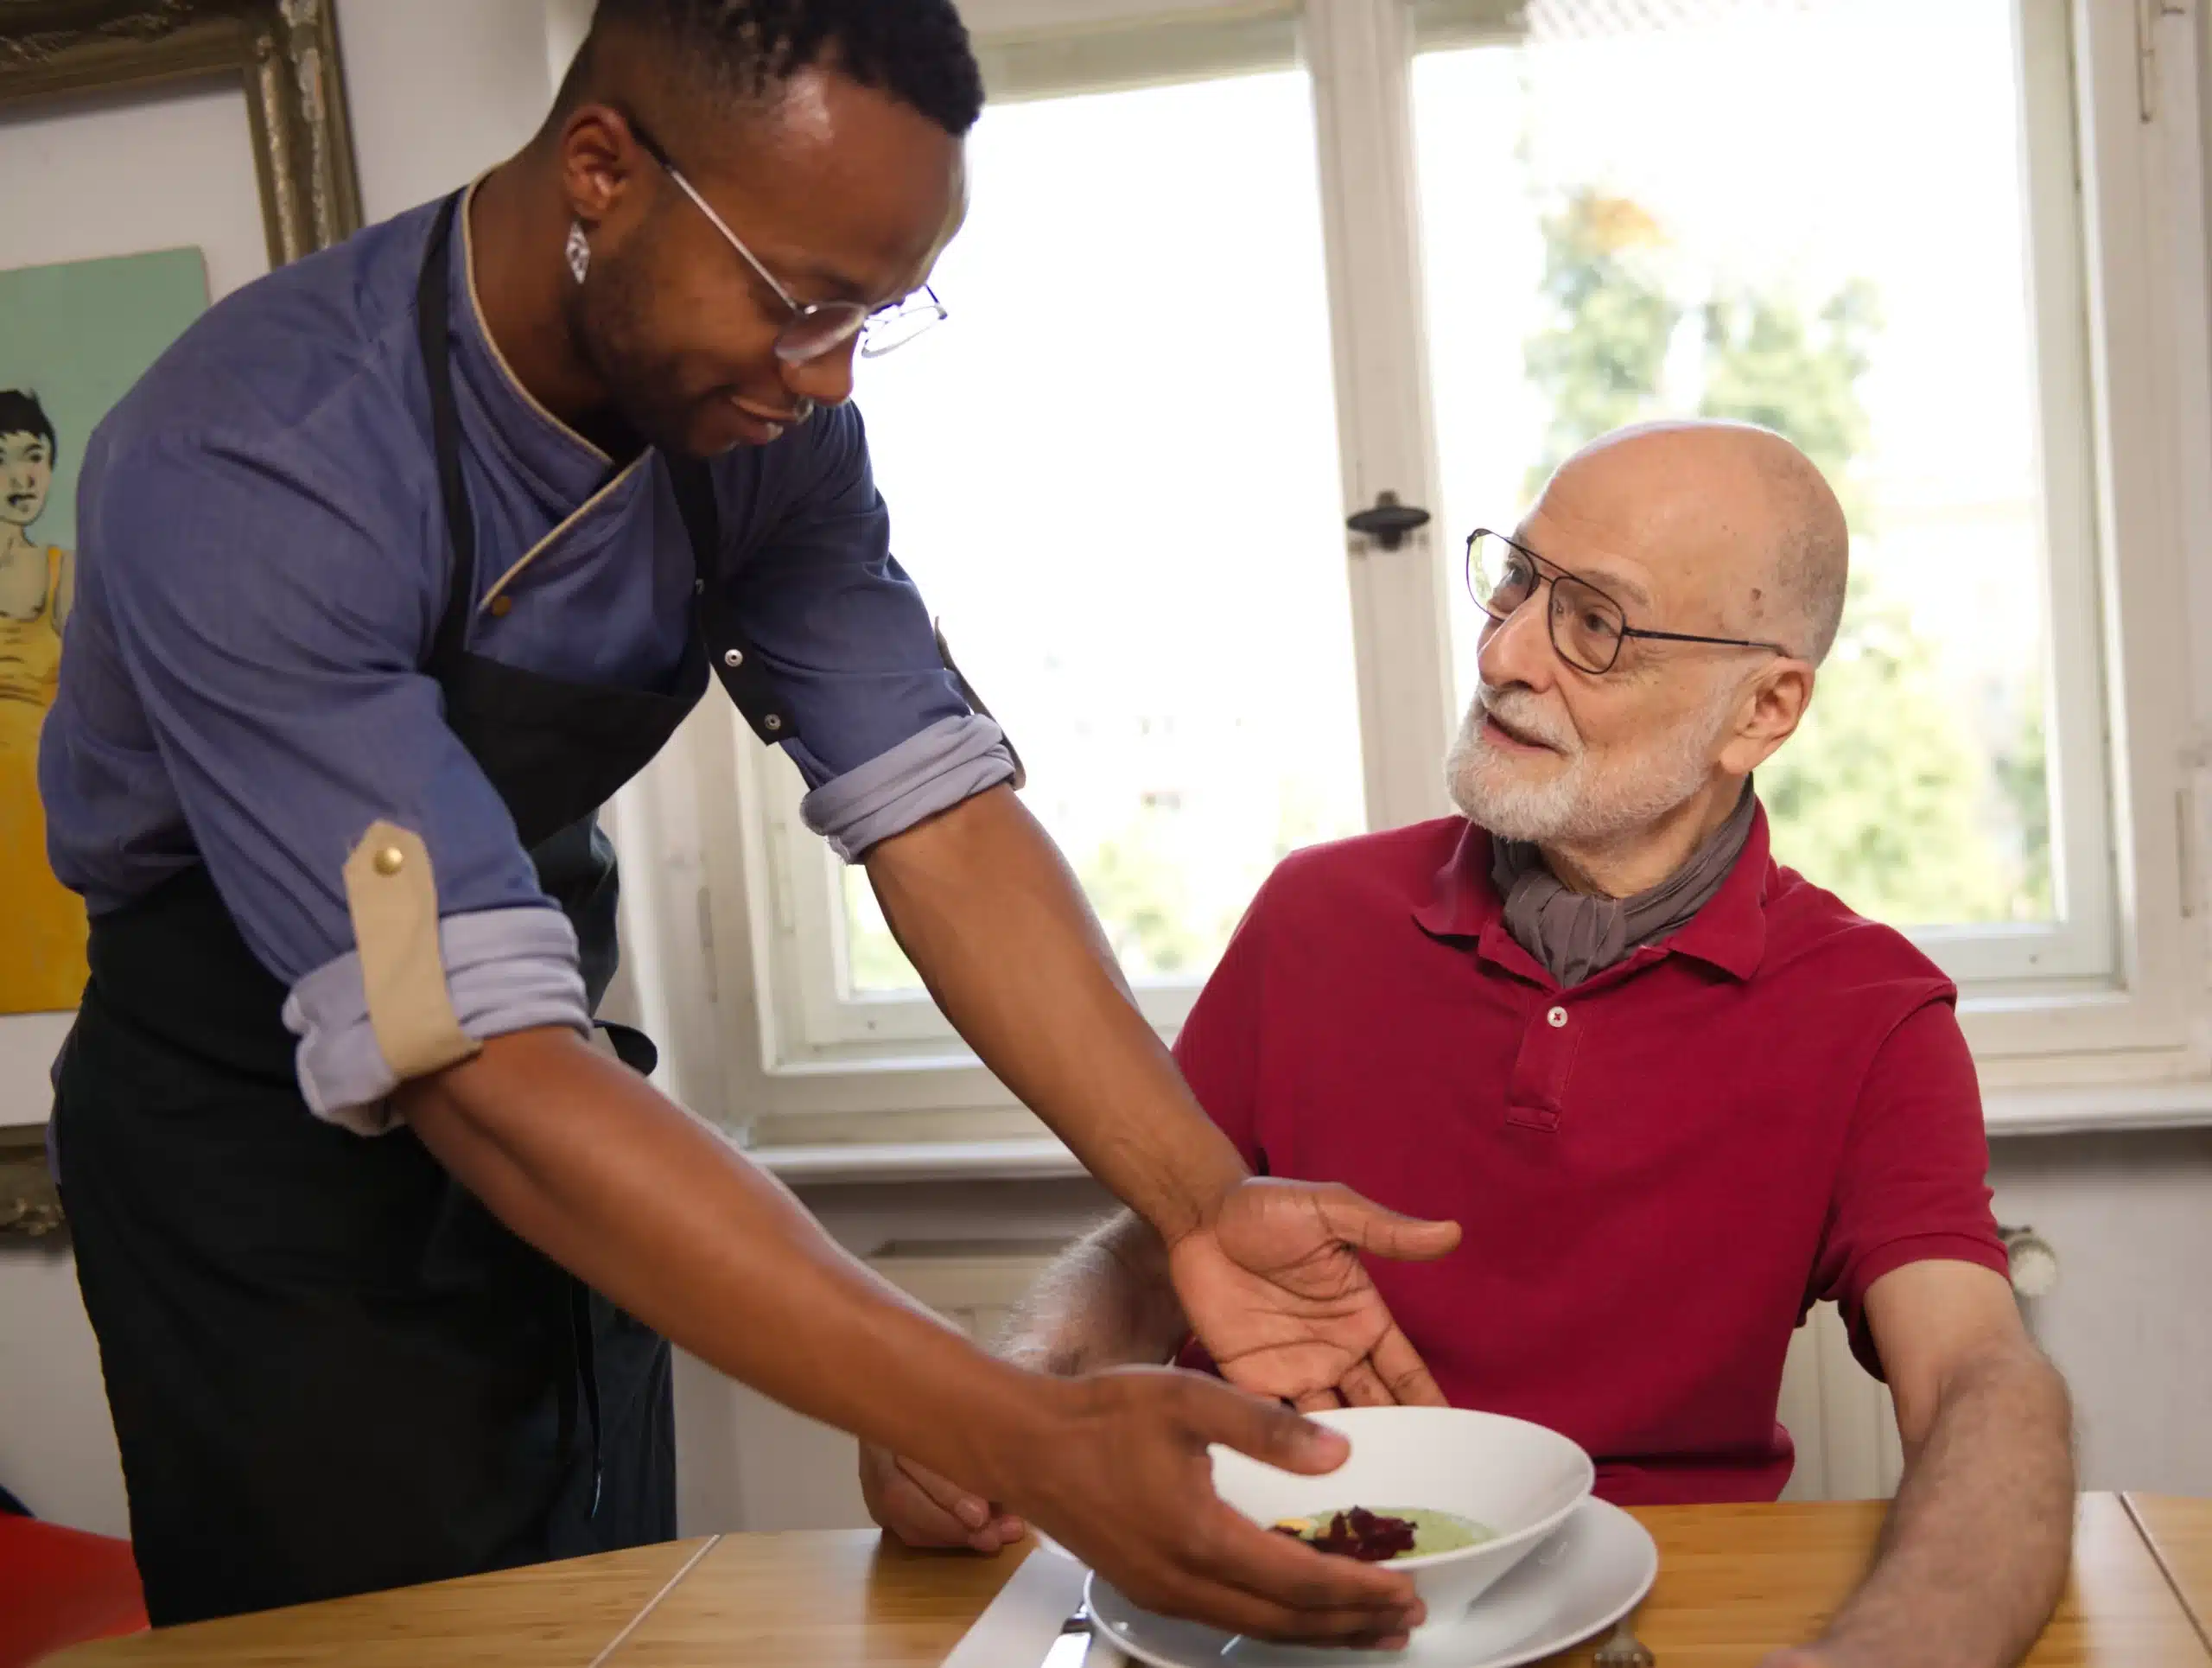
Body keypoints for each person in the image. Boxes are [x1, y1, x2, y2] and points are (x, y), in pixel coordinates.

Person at [37, 1, 1458, 1639]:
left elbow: (940, 818)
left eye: (879, 313)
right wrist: (1012, 1429)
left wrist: (1205, 1208)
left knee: (613, 1611)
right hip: (260, 1162)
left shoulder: (763, 432)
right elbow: (476, 1063)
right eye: (803, 302)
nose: (833, 373)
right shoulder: (260, 463)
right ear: (601, 170)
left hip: (557, 1070)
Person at [862, 422, 2077, 1668]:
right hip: (1261, 1596)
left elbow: (1980, 1377)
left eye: (1595, 622)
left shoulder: (1872, 1008)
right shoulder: (1316, 913)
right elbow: (1169, 1240)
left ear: (1761, 710)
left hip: (1654, 1608)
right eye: (1516, 579)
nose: (1503, 653)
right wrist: (1011, 1391)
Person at [0, 389, 87, 1015]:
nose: (21, 477)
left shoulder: (68, 573)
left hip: (37, 808)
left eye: (35, 456)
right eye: (2, 459)